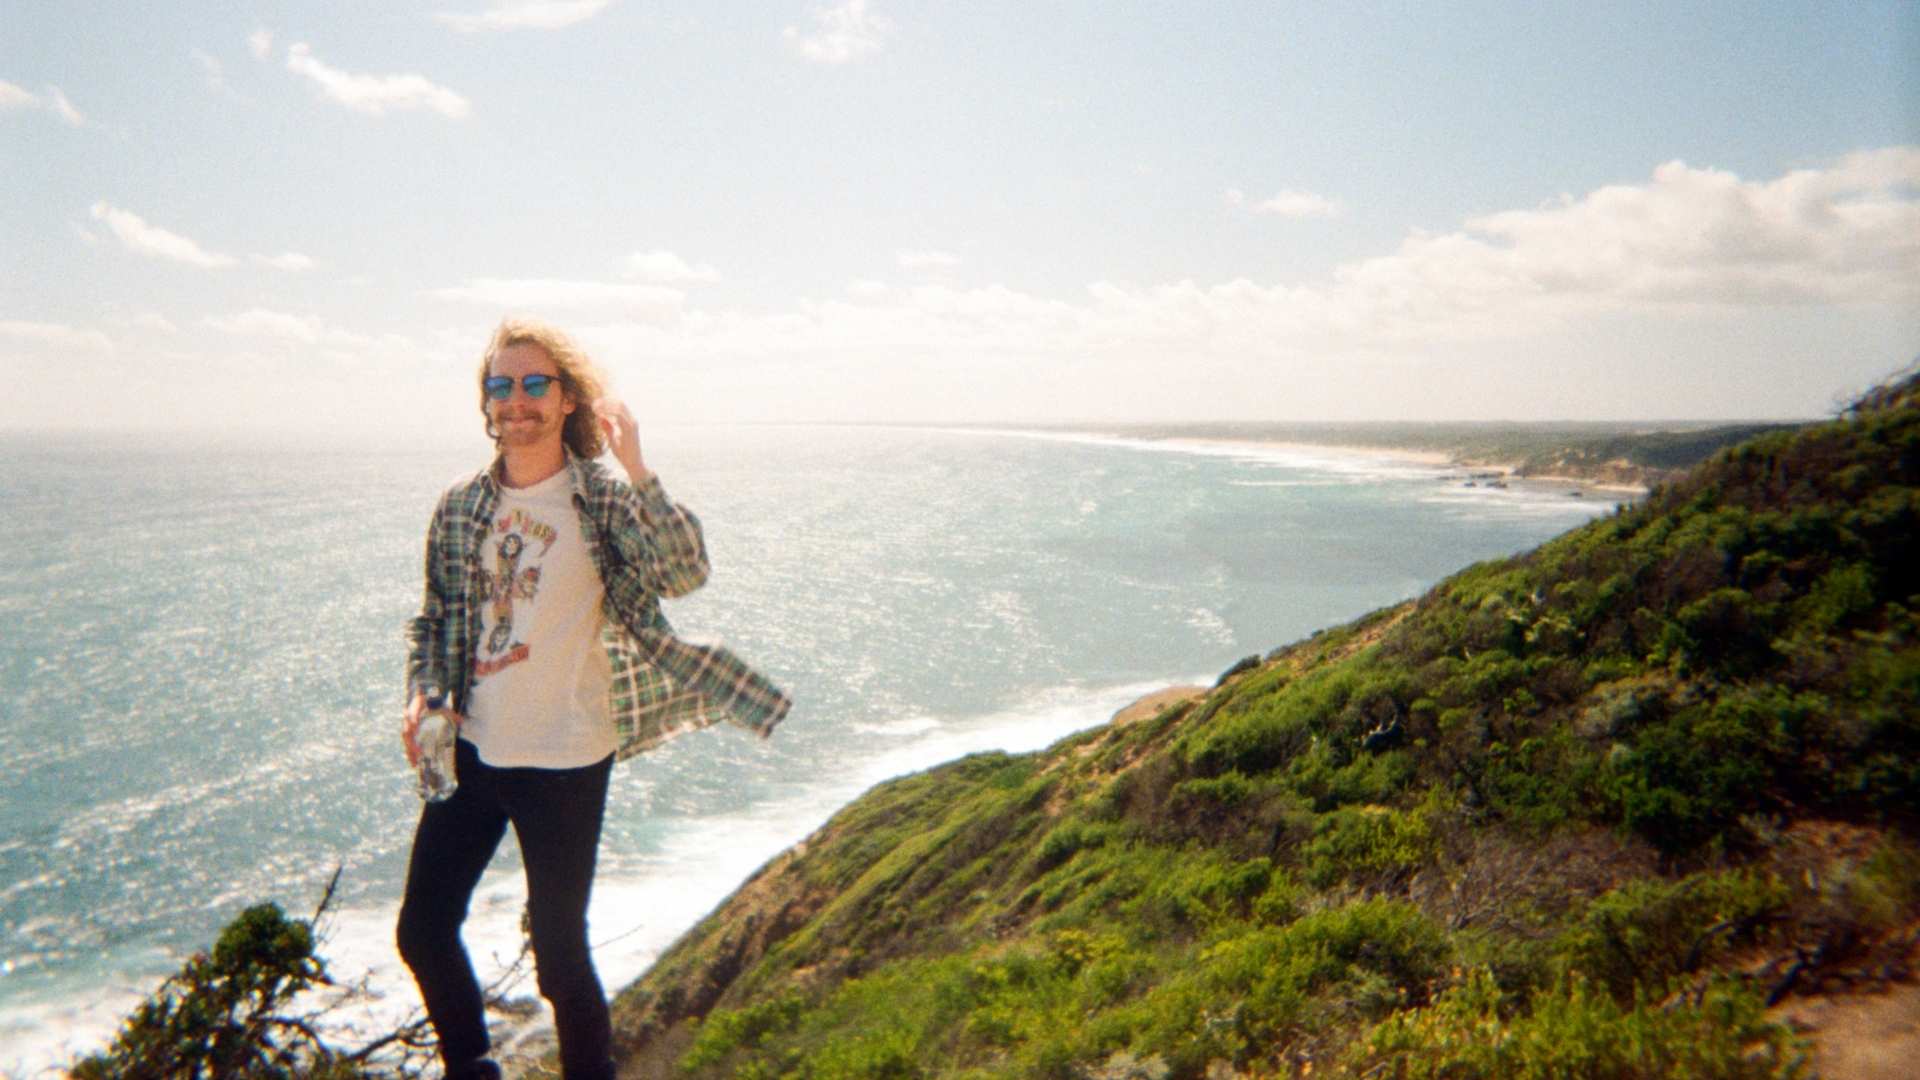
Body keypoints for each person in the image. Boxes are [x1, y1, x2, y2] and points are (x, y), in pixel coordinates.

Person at [397, 317, 790, 1079]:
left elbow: (685, 574)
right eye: (501, 384)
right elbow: (438, 615)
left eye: (536, 383)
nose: (517, 400)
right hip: (475, 750)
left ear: (569, 398)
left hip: (567, 759)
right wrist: (427, 694)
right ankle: (472, 1067)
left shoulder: (600, 500)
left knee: (559, 960)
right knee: (422, 928)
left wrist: (638, 466)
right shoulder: (459, 506)